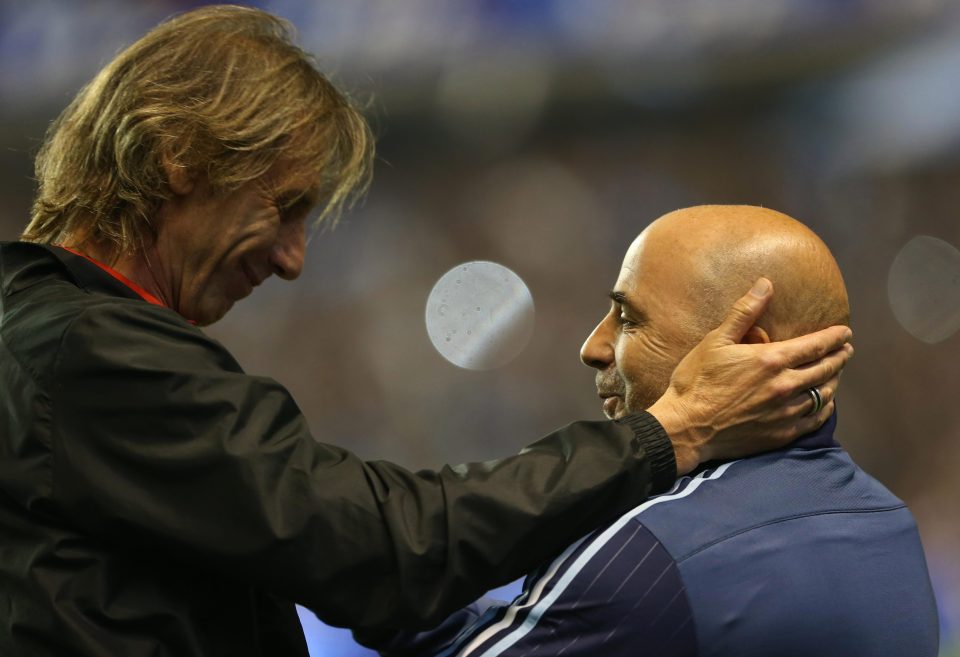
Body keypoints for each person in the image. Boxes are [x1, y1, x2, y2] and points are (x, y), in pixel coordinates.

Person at [0, 7, 851, 657]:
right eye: (285, 206)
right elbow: (384, 549)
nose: (294, 259)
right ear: (179, 153)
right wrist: (670, 432)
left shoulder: (37, 331)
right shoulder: (95, 357)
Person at [374, 206, 938, 657]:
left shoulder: (656, 551)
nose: (593, 348)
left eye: (630, 319)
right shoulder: (888, 524)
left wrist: (375, 568)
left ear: (749, 357)